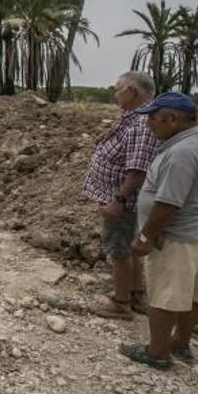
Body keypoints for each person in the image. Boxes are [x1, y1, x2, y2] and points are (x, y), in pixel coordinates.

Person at [118, 93, 198, 370]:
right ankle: (181, 343)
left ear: (172, 120)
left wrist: (146, 236)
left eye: (153, 117)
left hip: (176, 238)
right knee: (194, 294)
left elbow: (169, 203)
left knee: (165, 295)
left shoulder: (180, 153)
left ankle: (157, 351)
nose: (149, 124)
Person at [82, 71, 159, 320]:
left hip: (124, 200)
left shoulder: (141, 124)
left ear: (132, 92)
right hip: (122, 198)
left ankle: (121, 302)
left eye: (118, 89)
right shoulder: (133, 117)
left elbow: (137, 170)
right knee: (129, 248)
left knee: (119, 249)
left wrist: (119, 200)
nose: (115, 93)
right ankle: (135, 293)